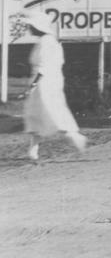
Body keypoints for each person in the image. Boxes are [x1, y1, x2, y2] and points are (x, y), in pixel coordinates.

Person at [19, 12, 88, 160]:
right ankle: (33, 150)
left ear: (39, 27)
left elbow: (43, 67)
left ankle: (76, 138)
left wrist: (32, 86)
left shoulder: (47, 42)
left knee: (52, 112)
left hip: (45, 83)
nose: (29, 28)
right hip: (46, 81)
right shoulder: (45, 41)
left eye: (31, 26)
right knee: (35, 114)